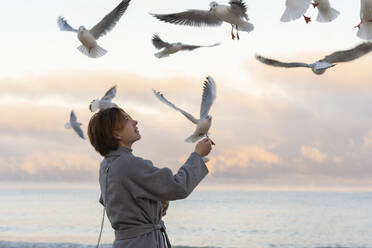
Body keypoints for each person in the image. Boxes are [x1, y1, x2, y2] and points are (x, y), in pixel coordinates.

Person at [87, 107, 213, 248]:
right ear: (116, 134)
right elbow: (178, 187)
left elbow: (120, 204)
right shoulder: (129, 164)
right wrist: (197, 155)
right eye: (127, 119)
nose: (135, 121)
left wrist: (157, 205)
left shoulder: (106, 165)